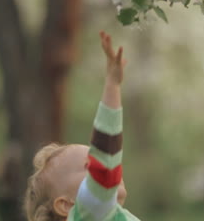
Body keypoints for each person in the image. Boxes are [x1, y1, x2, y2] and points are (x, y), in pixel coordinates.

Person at [24, 31, 140, 221]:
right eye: (89, 166)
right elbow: (104, 166)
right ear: (67, 205)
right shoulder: (89, 215)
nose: (100, 165)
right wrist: (112, 85)